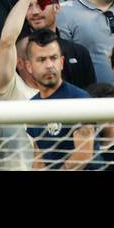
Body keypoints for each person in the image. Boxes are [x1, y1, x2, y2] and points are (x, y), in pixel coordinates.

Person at [23, 29, 95, 170]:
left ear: (61, 62)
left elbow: (83, 155)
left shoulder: (79, 99)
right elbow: (39, 156)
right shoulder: (33, 106)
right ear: (29, 66)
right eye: (42, 60)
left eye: (53, 58)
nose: (49, 65)